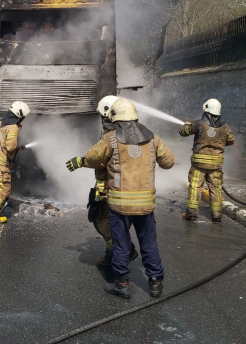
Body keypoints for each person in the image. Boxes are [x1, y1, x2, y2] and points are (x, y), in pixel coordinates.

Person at [66, 98, 174, 299]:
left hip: (120, 205)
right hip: (145, 206)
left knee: (121, 244)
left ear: (114, 118)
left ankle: (122, 284)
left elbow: (91, 158)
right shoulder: (153, 139)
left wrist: (80, 161)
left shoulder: (111, 139)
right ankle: (155, 283)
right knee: (148, 244)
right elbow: (169, 162)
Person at [90, 95, 139, 267]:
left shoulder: (112, 136)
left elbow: (98, 158)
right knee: (108, 222)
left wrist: (82, 161)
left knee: (104, 222)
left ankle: (118, 256)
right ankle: (118, 254)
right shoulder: (117, 133)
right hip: (114, 185)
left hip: (110, 187)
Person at [179, 99, 235, 222]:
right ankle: (217, 214)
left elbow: (183, 132)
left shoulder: (198, 124)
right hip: (215, 165)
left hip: (199, 164)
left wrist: (187, 125)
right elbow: (231, 140)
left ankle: (192, 213)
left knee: (195, 187)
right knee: (215, 188)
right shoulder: (225, 127)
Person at [0, 101, 30, 223]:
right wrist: (15, 149)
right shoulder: (13, 127)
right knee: (4, 186)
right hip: (0, 160)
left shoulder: (1, 120)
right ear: (19, 116)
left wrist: (16, 148)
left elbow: (2, 140)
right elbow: (10, 147)